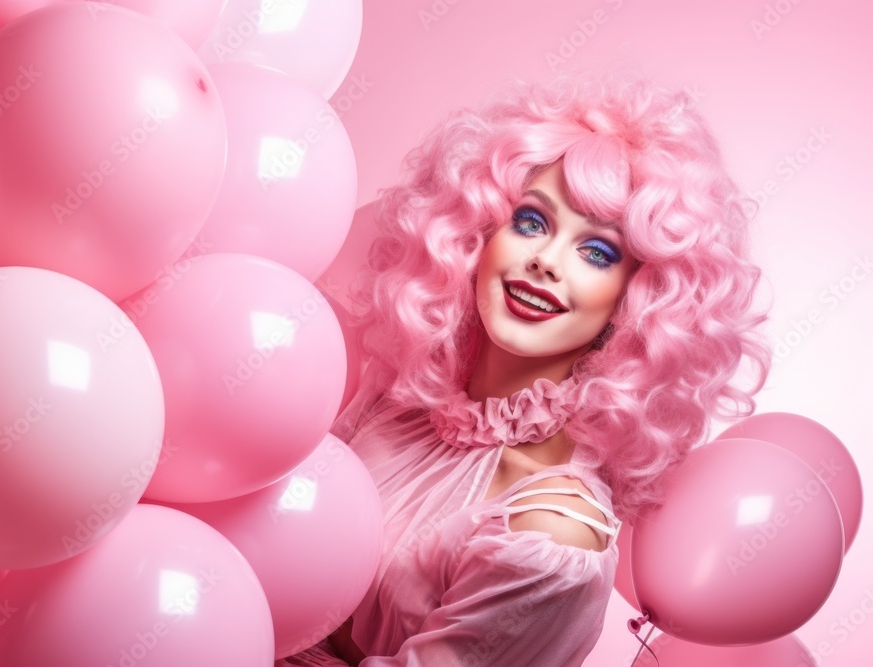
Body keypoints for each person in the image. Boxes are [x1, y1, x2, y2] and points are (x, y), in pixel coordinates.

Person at [279, 69, 772, 666]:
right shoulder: (391, 399)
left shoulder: (551, 540)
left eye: (596, 252)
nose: (545, 262)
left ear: (634, 303)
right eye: (532, 222)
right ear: (480, 233)